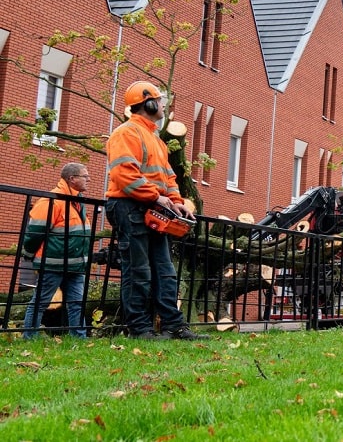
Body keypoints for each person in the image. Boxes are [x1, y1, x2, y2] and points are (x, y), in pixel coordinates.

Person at [104, 81, 207, 341]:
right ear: (148, 103)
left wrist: (176, 200)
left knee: (164, 271)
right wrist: (157, 197)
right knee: (138, 270)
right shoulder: (126, 133)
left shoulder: (156, 140)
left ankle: (174, 325)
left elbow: (168, 177)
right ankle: (139, 329)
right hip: (129, 206)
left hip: (151, 207)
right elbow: (124, 173)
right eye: (160, 101)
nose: (163, 105)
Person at [21, 163, 93, 339]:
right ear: (72, 178)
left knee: (76, 303)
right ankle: (29, 338)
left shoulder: (77, 202)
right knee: (41, 302)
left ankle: (79, 338)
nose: (89, 179)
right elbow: (34, 233)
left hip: (75, 266)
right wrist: (29, 255)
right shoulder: (50, 202)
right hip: (53, 264)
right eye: (85, 176)